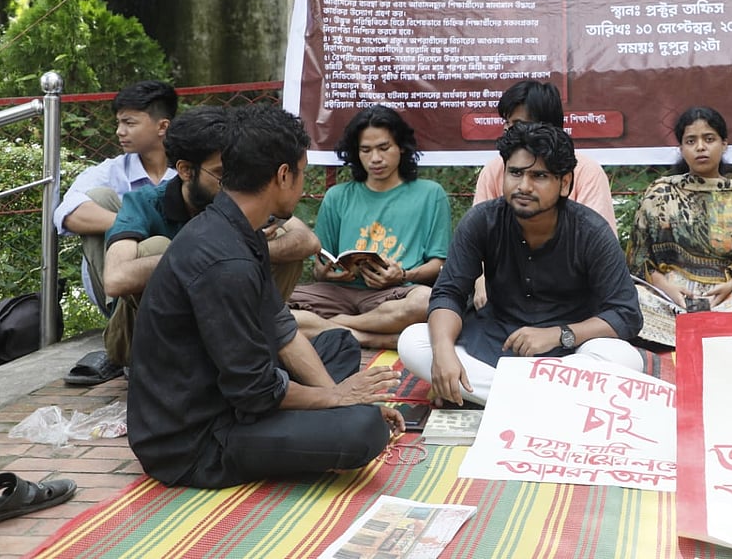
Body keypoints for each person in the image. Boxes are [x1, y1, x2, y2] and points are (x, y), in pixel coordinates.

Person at [127, 104, 403, 489]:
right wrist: (339, 401)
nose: (304, 186)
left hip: (231, 397)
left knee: (338, 344)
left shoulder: (241, 228)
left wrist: (341, 396)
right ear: (283, 174)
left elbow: (282, 331)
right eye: (302, 173)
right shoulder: (224, 260)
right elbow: (255, 390)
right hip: (195, 442)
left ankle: (317, 419)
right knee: (363, 430)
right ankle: (316, 427)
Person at [397, 122, 643, 406]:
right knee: (414, 341)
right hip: (495, 341)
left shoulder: (590, 231)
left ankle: (502, 400)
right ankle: (550, 403)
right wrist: (442, 354)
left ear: (564, 184)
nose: (523, 186)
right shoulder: (481, 221)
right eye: (515, 173)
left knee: (624, 359)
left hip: (570, 349)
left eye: (539, 176)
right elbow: (448, 293)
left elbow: (626, 314)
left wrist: (559, 335)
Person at [102, 106, 319, 367]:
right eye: (219, 174)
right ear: (185, 170)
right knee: (155, 247)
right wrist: (209, 255)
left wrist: (246, 248)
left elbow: (308, 241)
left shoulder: (238, 199)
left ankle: (256, 342)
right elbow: (115, 280)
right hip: (144, 341)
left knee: (282, 238)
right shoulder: (145, 202)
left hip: (221, 329)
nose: (231, 183)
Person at [289, 106, 451, 350]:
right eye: (365, 150)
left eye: (384, 148)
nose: (375, 158)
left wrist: (404, 275)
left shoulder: (430, 194)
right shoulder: (337, 196)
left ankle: (339, 326)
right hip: (337, 293)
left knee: (427, 302)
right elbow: (321, 264)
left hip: (394, 294)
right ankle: (370, 337)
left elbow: (439, 264)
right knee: (270, 306)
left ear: (402, 147)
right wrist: (325, 273)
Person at [626, 106, 732, 345]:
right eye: (691, 141)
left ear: (724, 144)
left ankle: (709, 329)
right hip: (669, 299)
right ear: (681, 148)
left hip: (729, 298)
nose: (700, 147)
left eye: (709, 139)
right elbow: (638, 260)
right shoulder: (660, 193)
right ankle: (709, 334)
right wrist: (666, 288)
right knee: (632, 298)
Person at [54, 80, 178, 315]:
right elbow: (68, 213)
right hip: (118, 290)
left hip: (178, 284)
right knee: (98, 197)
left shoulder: (186, 172)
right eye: (119, 122)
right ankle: (121, 316)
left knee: (158, 246)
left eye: (129, 123)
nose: (120, 131)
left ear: (162, 127)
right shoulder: (113, 171)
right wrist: (136, 226)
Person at [472, 80, 617, 233]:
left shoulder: (588, 172)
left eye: (518, 124)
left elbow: (597, 242)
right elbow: (479, 234)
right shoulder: (493, 170)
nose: (508, 131)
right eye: (507, 124)